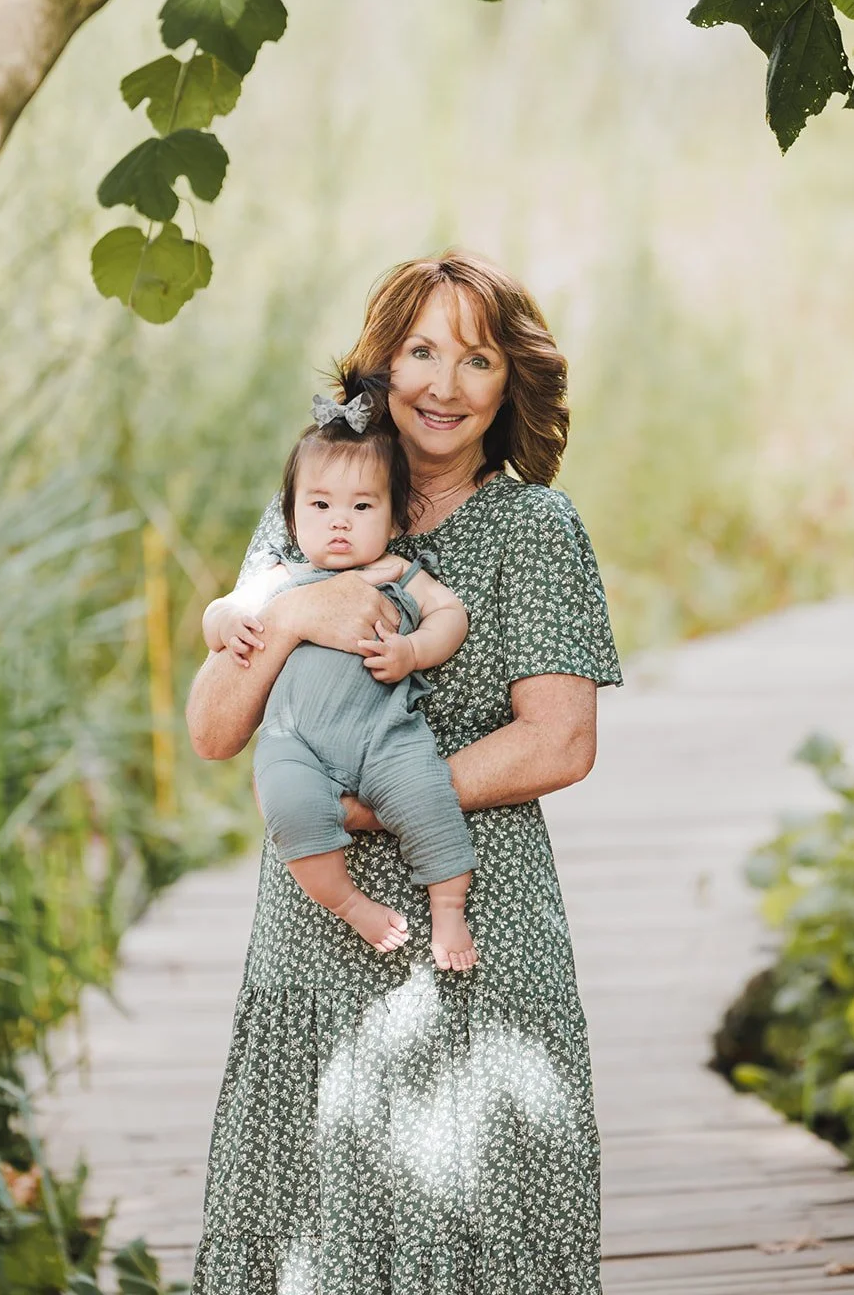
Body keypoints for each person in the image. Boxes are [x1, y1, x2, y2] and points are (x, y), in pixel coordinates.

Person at [186, 251, 622, 1295]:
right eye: (420, 350)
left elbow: (558, 740)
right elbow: (211, 727)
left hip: (475, 938)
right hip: (315, 945)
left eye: (476, 358)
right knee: (311, 1237)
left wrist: (380, 805)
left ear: (508, 383)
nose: (443, 382)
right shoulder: (313, 507)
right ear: (376, 366)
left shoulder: (532, 527)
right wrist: (291, 612)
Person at [202, 381, 479, 970]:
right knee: (289, 810)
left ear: (394, 515)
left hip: (385, 734)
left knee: (428, 798)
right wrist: (228, 624)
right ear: (293, 514)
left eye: (362, 506)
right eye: (320, 505)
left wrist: (412, 651)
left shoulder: (398, 572)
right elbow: (221, 610)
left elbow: (450, 615)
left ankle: (449, 908)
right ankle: (352, 905)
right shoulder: (280, 576)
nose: (339, 523)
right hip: (295, 740)